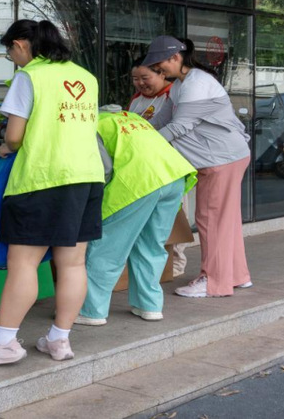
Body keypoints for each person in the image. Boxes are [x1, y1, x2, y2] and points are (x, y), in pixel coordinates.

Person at [0, 19, 105, 367]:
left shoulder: (30, 76)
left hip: (42, 177)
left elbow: (13, 137)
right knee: (73, 262)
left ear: (21, 44)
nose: (12, 58)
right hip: (87, 177)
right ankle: (59, 339)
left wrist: (7, 147)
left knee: (23, 263)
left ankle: (4, 343)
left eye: (10, 51)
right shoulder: (85, 77)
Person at [143, 36, 252, 298]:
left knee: (210, 219)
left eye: (159, 64)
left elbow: (180, 126)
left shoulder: (197, 84)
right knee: (225, 221)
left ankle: (214, 282)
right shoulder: (182, 84)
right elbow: (162, 119)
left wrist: (144, 144)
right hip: (224, 157)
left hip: (220, 159)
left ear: (175, 57)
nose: (158, 69)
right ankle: (236, 276)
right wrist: (134, 126)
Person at [76, 108, 196, 326]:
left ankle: (92, 311)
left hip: (138, 183)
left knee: (107, 248)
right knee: (152, 245)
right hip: (173, 178)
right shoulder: (132, 118)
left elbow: (105, 169)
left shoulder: (92, 123)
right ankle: (149, 306)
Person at [127, 57, 188, 277]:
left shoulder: (173, 96)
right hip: (146, 167)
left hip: (172, 165)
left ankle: (177, 262)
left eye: (145, 77)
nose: (140, 83)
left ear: (162, 73)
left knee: (175, 215)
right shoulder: (137, 99)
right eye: (135, 79)